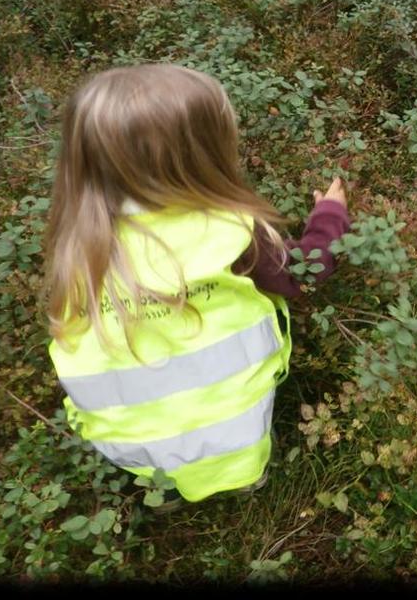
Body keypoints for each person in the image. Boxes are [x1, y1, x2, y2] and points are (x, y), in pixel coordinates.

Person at [43, 63, 350, 507]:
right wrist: (330, 216)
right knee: (234, 449)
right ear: (205, 156)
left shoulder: (76, 244)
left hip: (124, 445)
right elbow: (305, 271)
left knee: (155, 450)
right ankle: (246, 478)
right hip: (235, 432)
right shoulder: (230, 229)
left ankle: (162, 494)